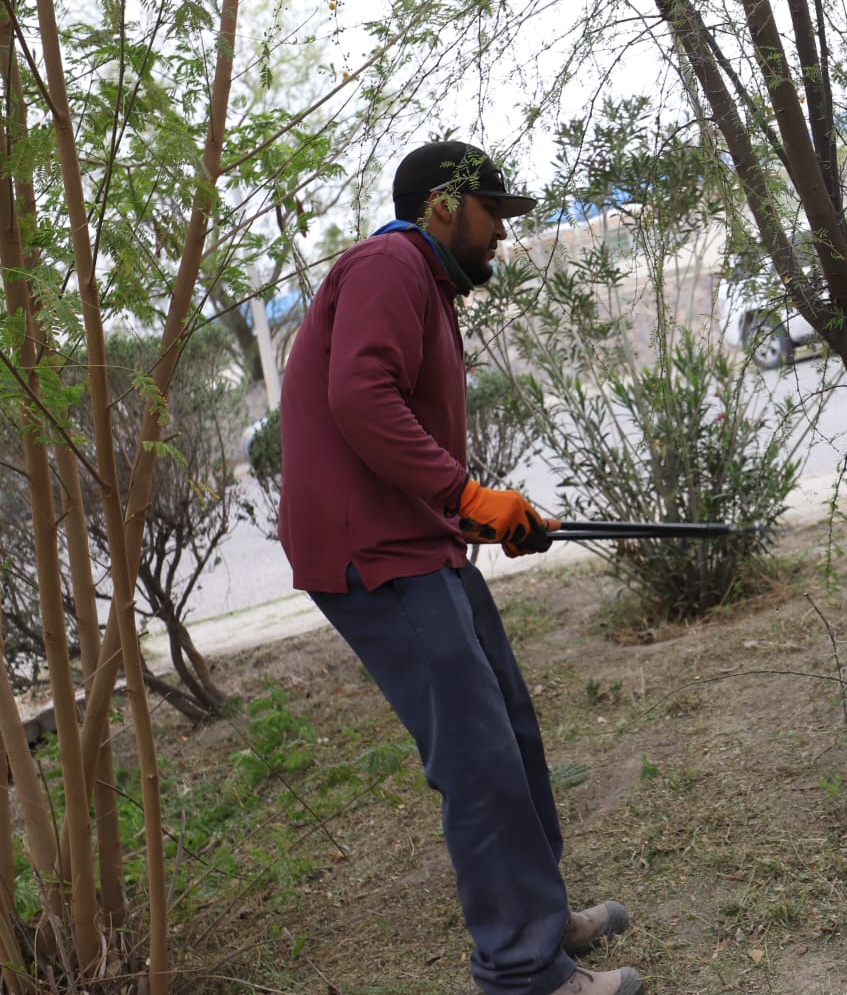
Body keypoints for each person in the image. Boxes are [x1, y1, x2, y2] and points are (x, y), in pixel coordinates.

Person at [276, 140, 644, 995]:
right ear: (445, 206)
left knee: (508, 728)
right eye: (492, 217)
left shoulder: (426, 285)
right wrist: (468, 495)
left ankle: (541, 920)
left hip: (418, 544)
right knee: (476, 758)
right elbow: (359, 397)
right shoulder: (387, 264)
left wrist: (480, 516)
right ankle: (523, 971)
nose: (501, 239)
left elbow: (397, 421)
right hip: (374, 558)